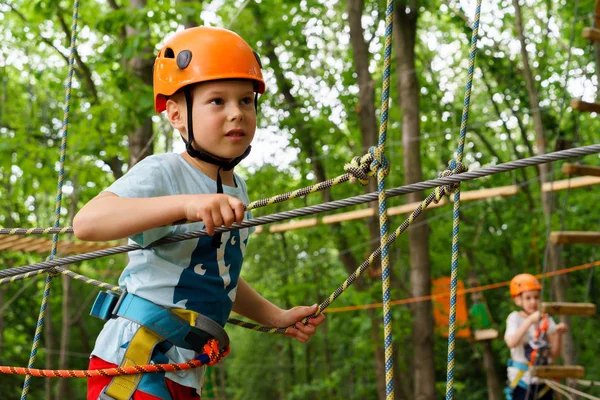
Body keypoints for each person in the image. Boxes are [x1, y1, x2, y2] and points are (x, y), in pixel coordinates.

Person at [73, 26, 326, 400]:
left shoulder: (236, 189)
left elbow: (219, 274)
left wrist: (274, 316)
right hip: (137, 357)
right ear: (176, 114)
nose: (236, 113)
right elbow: (87, 223)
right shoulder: (163, 173)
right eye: (217, 101)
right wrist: (186, 205)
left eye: (245, 101)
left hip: (187, 369)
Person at [504, 274, 569, 400]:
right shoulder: (514, 318)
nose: (533, 302)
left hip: (543, 381)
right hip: (522, 380)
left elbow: (554, 354)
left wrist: (558, 335)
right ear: (518, 300)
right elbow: (511, 342)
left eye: (536, 297)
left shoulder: (546, 319)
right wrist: (530, 321)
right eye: (528, 298)